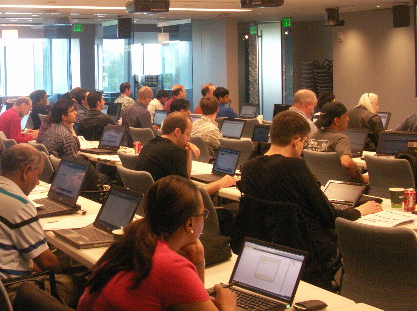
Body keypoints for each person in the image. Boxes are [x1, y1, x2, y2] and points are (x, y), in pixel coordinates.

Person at [78, 175, 246, 311]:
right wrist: (228, 304)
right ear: (190, 223)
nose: (203, 219)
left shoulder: (132, 242)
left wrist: (198, 261)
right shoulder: (172, 267)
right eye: (203, 214)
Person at [239, 110, 381, 288]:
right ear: (296, 141)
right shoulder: (294, 167)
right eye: (304, 142)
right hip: (305, 251)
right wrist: (359, 211)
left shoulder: (249, 168)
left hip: (261, 248)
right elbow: (328, 216)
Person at [0, 144, 60, 279]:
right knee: (73, 281)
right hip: (8, 287)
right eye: (38, 175)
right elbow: (47, 263)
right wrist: (66, 270)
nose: (37, 182)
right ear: (26, 171)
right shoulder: (20, 205)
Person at [137, 112, 235, 194]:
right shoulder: (174, 153)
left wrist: (187, 150)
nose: (188, 139)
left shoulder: (149, 145)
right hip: (169, 208)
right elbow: (188, 194)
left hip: (150, 204)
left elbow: (185, 180)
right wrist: (219, 183)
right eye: (188, 134)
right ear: (177, 132)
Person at [307, 102, 368, 184]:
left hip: (317, 185)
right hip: (340, 187)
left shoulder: (311, 136)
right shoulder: (340, 139)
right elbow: (347, 163)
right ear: (336, 121)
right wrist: (362, 178)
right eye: (346, 116)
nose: (348, 119)